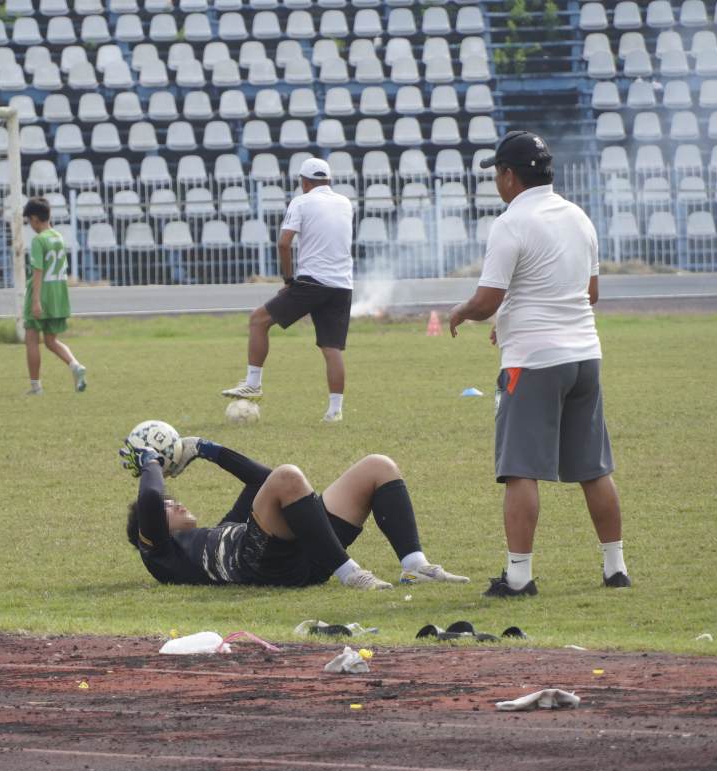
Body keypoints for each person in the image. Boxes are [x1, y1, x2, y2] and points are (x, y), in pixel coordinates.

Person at [448, 130, 628, 597]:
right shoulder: (578, 216)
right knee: (594, 468)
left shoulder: (511, 222)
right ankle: (616, 568)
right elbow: (589, 294)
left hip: (532, 362)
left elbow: (487, 299)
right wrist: (512, 318)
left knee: (520, 468)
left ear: (509, 175)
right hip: (585, 356)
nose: (496, 182)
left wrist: (462, 312)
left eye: (497, 173)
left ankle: (519, 576)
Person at [120, 438, 468, 589]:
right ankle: (351, 574)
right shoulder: (162, 555)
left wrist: (207, 449)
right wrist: (150, 460)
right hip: (261, 565)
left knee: (378, 466)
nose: (175, 504)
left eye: (172, 501)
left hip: (306, 554)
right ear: (149, 531)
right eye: (168, 507)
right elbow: (150, 496)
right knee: (287, 475)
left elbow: (262, 479)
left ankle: (414, 566)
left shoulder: (221, 531)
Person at [221, 158, 355, 423]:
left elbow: (284, 243)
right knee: (331, 348)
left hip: (312, 282)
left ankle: (253, 384)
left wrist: (288, 280)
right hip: (342, 284)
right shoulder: (345, 203)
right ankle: (335, 411)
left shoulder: (301, 202)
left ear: (304, 182)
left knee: (258, 320)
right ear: (328, 180)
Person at [22, 197, 86, 395]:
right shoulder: (58, 237)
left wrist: (35, 301)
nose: (30, 225)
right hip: (58, 296)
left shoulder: (38, 240)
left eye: (29, 221)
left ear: (34, 219)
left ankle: (36, 387)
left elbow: (38, 270)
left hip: (42, 294)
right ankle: (75, 365)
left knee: (31, 338)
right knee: (51, 341)